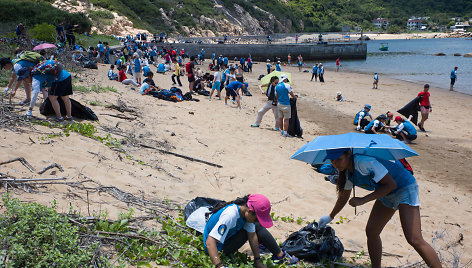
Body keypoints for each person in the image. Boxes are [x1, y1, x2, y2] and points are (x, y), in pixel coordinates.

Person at [319, 149, 441, 268]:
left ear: (349, 153)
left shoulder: (363, 162)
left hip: (404, 187)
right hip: (386, 192)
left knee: (414, 239)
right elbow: (343, 198)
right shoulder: (347, 173)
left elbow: (391, 184)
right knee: (371, 231)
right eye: (332, 160)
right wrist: (330, 216)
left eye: (339, 159)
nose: (335, 164)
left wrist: (363, 200)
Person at [203, 194, 298, 268]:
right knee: (257, 226)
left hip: (225, 241)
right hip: (216, 249)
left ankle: (279, 254)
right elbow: (210, 242)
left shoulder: (244, 212)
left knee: (255, 226)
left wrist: (258, 261)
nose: (257, 221)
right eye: (256, 218)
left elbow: (252, 236)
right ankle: (280, 255)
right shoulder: (230, 215)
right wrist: (220, 266)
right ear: (249, 211)